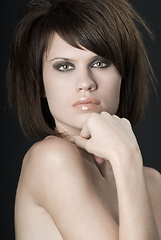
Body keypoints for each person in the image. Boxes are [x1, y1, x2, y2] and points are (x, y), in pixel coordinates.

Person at [7, 0, 161, 239]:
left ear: (123, 75)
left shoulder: (152, 182)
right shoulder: (52, 158)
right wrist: (127, 155)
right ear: (40, 84)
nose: (85, 82)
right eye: (64, 66)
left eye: (100, 63)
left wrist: (127, 163)